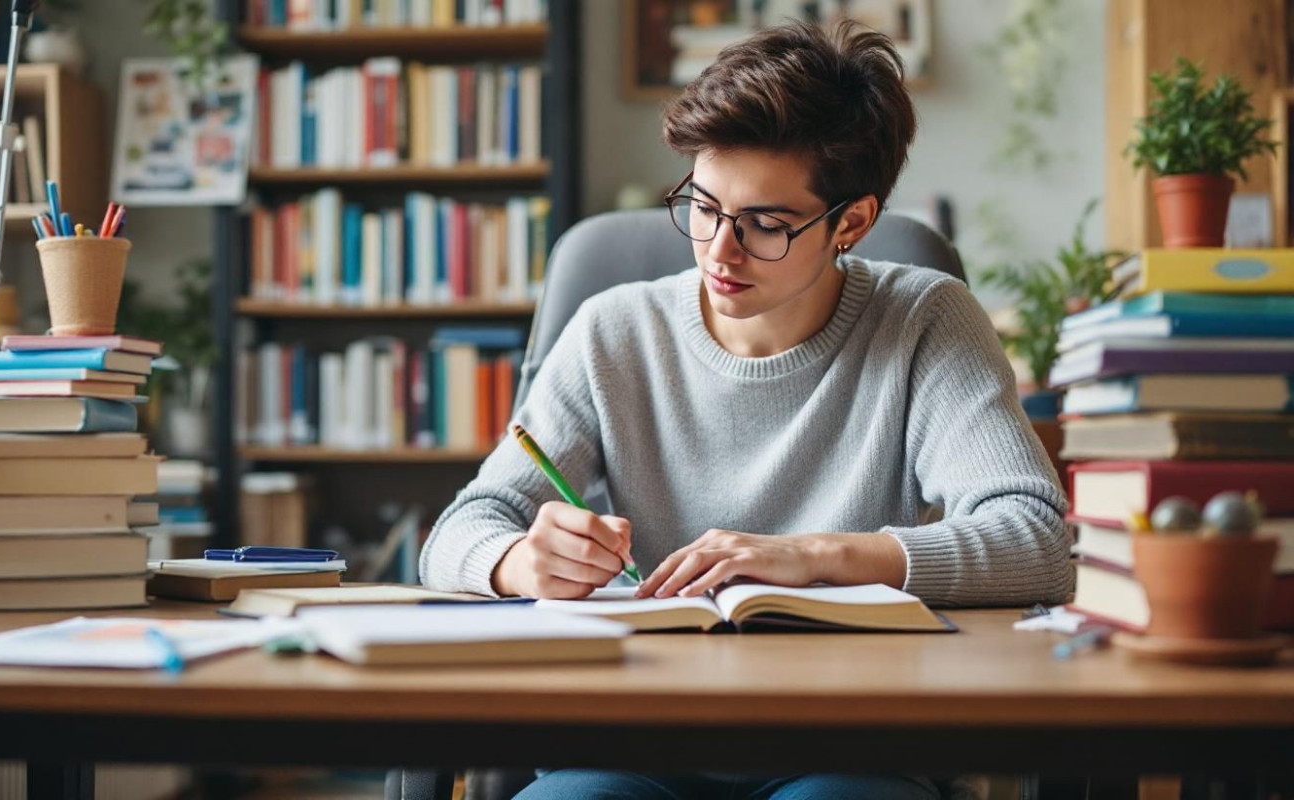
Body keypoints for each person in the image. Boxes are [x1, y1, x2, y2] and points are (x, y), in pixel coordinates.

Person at [419, 19, 1070, 800]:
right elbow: (458, 530)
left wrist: (819, 557)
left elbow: (1037, 542)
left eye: (765, 224)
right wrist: (522, 559)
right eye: (702, 204)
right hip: (626, 742)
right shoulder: (613, 329)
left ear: (852, 223)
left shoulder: (925, 320)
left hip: (850, 749)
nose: (719, 250)